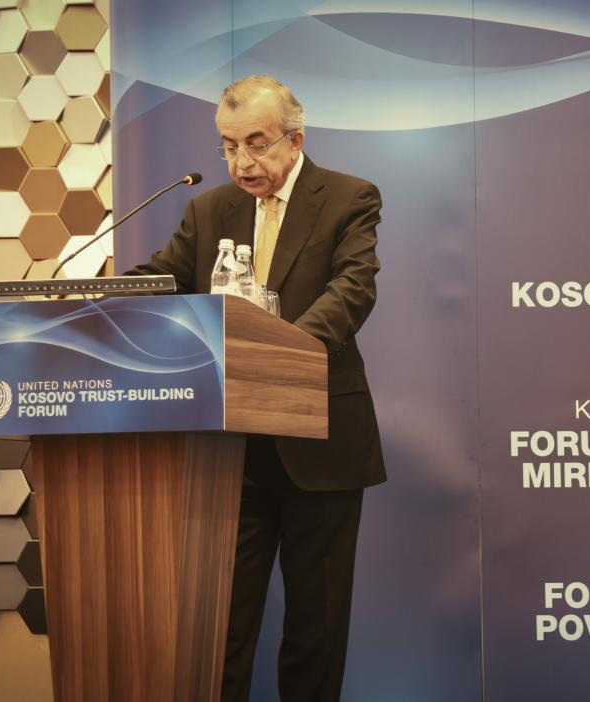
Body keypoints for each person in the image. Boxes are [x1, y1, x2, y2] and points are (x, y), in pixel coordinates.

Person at [128, 75, 386, 702]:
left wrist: (281, 355)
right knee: (220, 630)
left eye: (256, 143)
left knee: (315, 630)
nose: (241, 162)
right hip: (229, 451)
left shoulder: (349, 198)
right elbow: (161, 281)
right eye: (228, 146)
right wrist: (85, 294)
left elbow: (352, 290)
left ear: (295, 140)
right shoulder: (209, 209)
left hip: (318, 440)